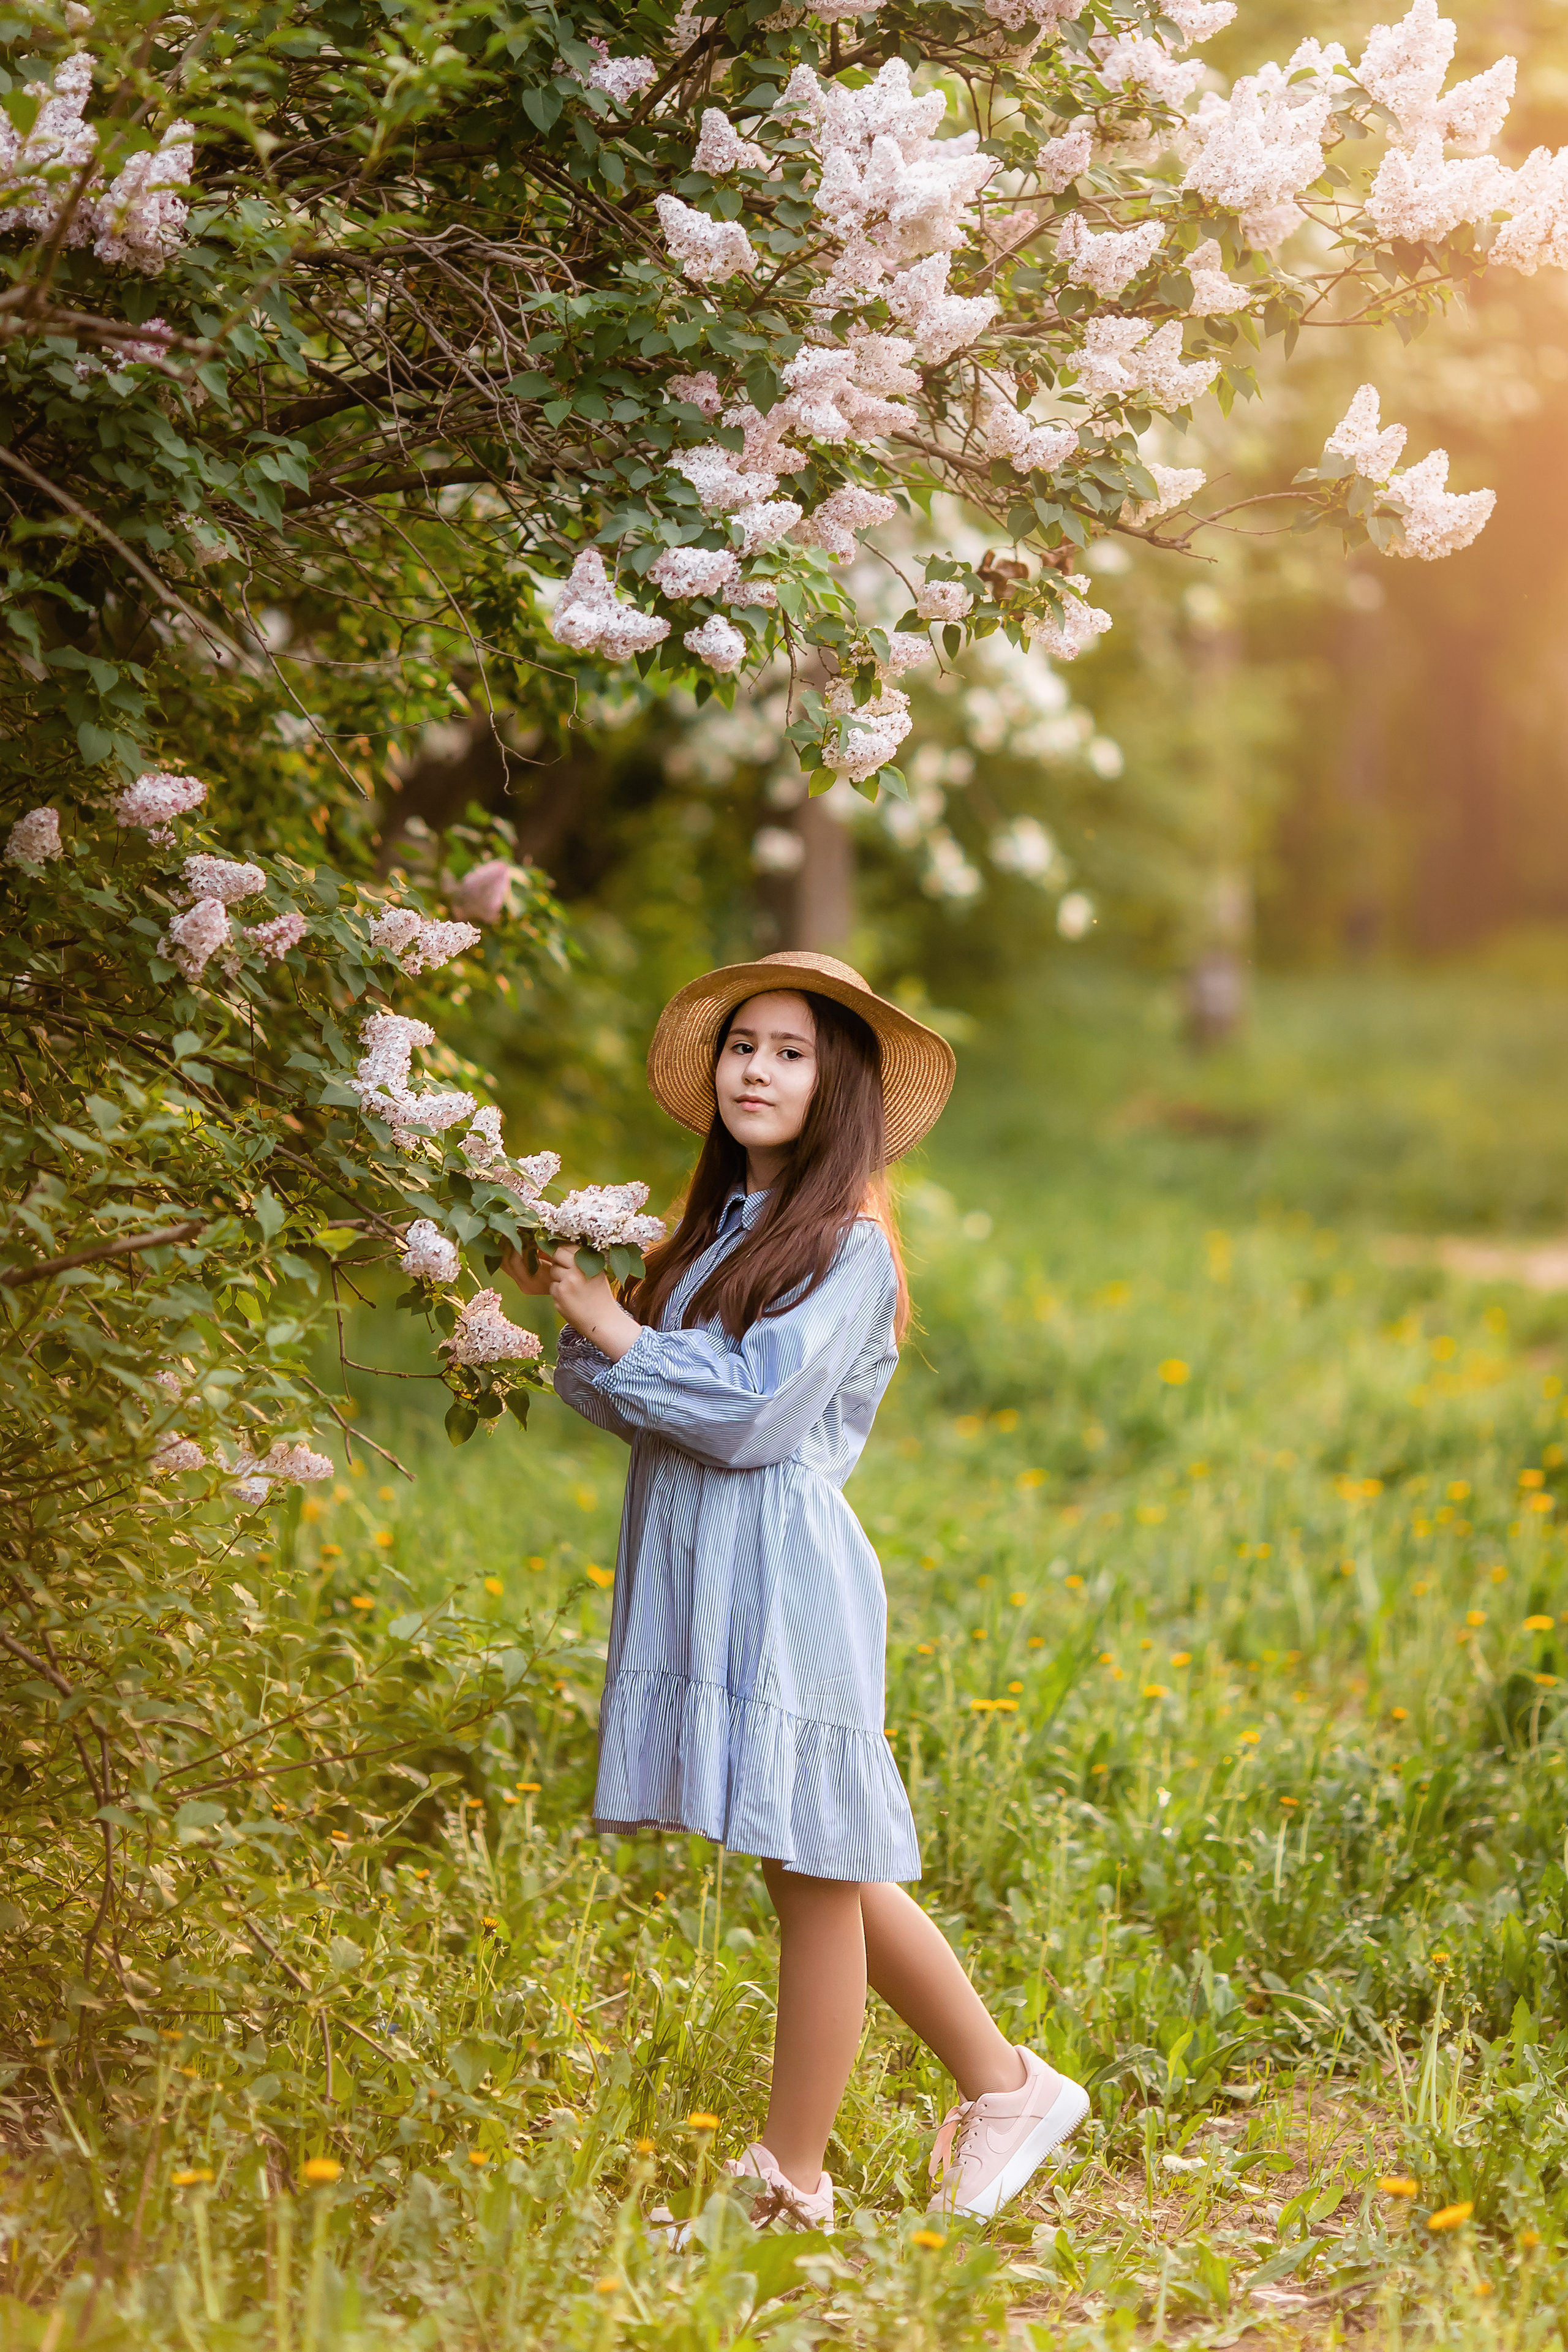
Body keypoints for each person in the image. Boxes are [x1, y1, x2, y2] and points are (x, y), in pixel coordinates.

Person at [506, 949, 1088, 2230]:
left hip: (784, 1580)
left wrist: (615, 1327)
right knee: (814, 1863)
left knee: (813, 1867)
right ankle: (1007, 2086)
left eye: (790, 1053)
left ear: (839, 1089)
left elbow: (750, 1415)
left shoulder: (849, 1247)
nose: (755, 1072)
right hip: (710, 1573)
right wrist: (574, 1312)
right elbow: (641, 1401)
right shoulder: (716, 1234)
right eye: (741, 1047)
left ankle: (789, 2183)